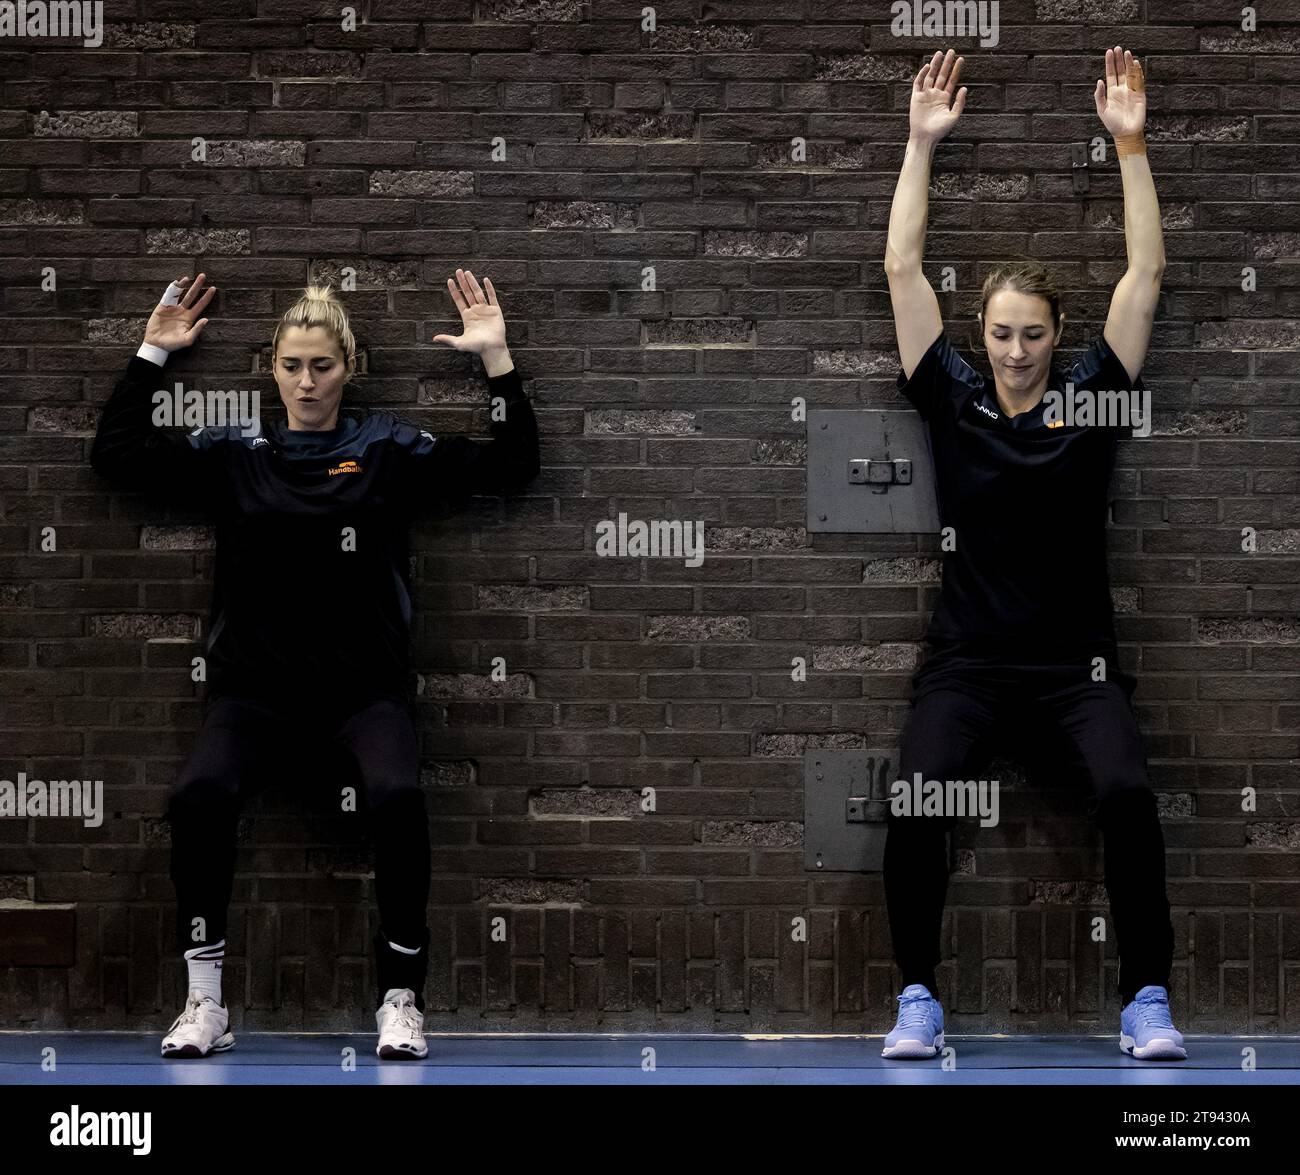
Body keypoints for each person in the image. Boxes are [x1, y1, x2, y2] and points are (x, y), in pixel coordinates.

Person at [89, 269, 540, 1059]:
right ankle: (204, 1002)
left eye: (322, 365)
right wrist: (151, 355)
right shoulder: (235, 454)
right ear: (272, 367)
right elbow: (116, 457)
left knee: (398, 796)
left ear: (349, 367)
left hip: (363, 693)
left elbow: (513, 465)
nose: (307, 381)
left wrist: (496, 360)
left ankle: (400, 998)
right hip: (252, 694)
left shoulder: (388, 449)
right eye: (293, 365)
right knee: (197, 794)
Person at [879, 47, 1183, 1060]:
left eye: (1033, 335)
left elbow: (1145, 274)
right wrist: (920, 145)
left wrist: (1129, 143)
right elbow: (899, 268)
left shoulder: (1090, 401)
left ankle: (1146, 998)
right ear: (982, 331)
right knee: (916, 795)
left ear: (1058, 336)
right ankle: (917, 997)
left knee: (1128, 793)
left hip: (1073, 666)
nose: (1016, 351)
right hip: (965, 660)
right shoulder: (952, 398)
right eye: (1002, 334)